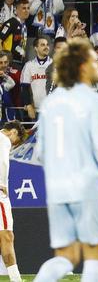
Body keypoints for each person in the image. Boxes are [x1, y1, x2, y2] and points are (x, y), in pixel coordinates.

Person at [32, 38, 98, 282]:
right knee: (94, 254)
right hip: (87, 187)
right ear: (82, 67)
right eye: (93, 61)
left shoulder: (50, 104)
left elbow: (41, 153)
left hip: (58, 190)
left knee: (65, 257)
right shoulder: (94, 101)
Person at [0, 121, 24, 282]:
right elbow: (2, 162)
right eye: (17, 141)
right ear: (13, 132)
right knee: (7, 236)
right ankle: (16, 279)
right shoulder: (3, 139)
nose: (14, 145)